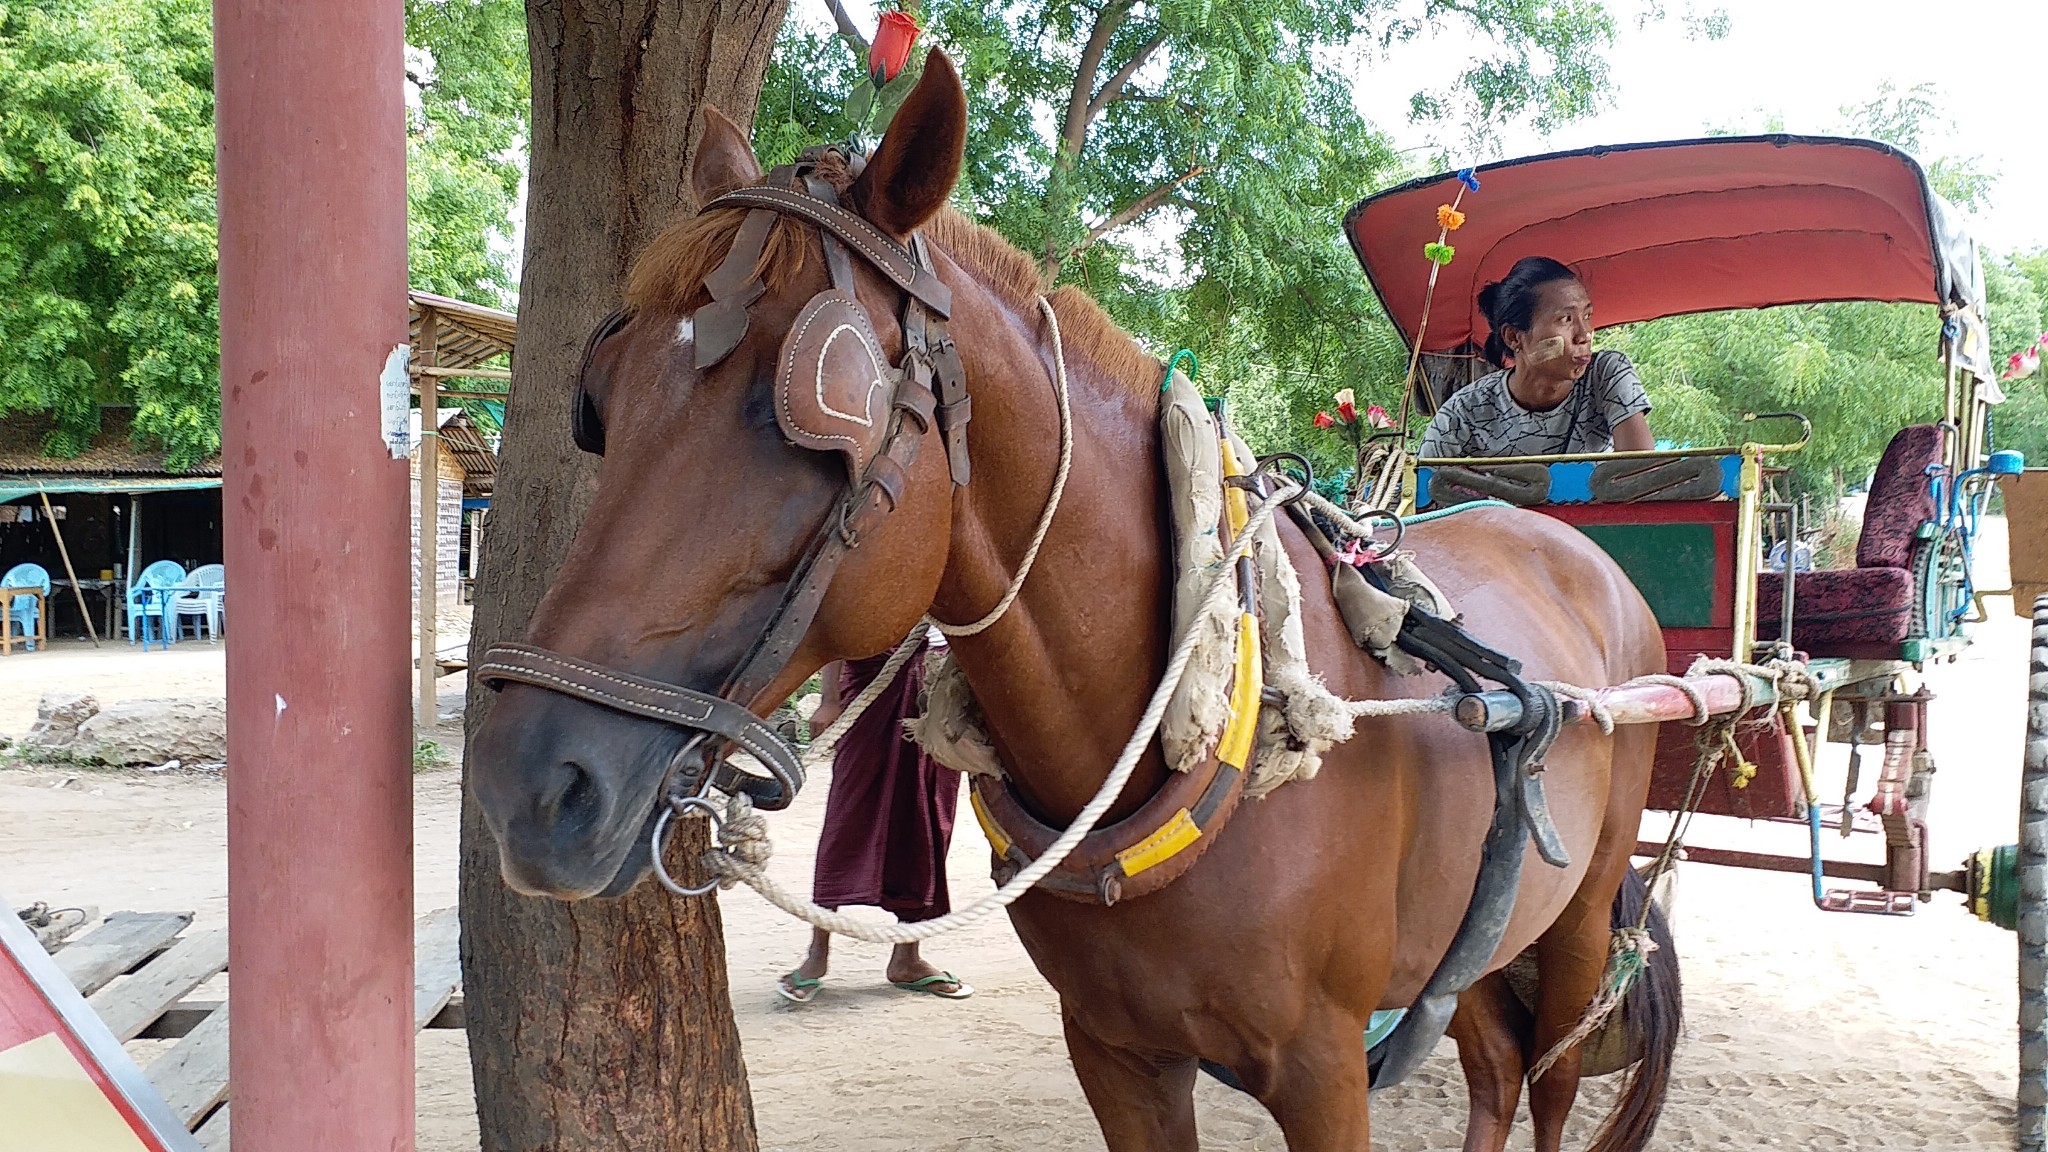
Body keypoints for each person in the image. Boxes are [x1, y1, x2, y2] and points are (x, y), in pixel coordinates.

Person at [775, 637, 973, 1004]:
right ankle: (816, 957)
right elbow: (840, 620)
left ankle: (907, 958)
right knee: (846, 817)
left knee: (927, 818)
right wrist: (829, 699)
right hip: (871, 674)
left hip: (938, 685)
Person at [1418, 256, 1654, 458]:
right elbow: (1424, 494)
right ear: (1513, 337)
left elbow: (1638, 476)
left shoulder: (1605, 374)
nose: (1584, 335)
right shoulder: (1465, 413)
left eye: (1587, 315)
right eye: (1566, 319)